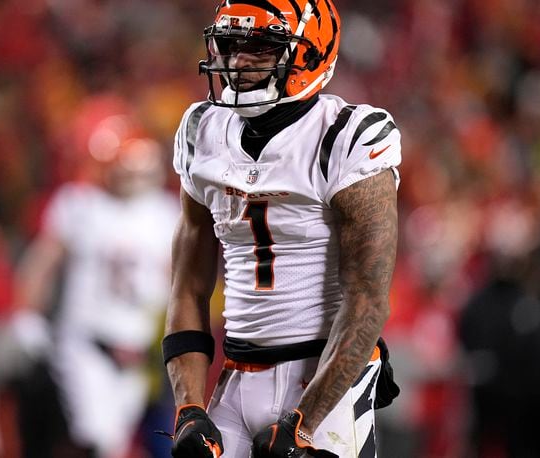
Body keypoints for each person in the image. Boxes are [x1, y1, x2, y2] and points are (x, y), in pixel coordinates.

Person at [162, 1, 402, 457]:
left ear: (310, 53)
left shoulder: (347, 136)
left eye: (259, 49)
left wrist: (304, 423)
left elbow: (368, 300)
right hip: (237, 373)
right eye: (231, 46)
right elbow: (187, 288)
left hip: (326, 376)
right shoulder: (201, 130)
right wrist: (189, 407)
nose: (237, 63)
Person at [11, 106, 179, 458]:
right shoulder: (80, 205)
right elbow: (43, 261)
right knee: (98, 441)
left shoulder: (165, 213)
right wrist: (25, 312)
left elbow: (179, 282)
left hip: (137, 354)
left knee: (113, 444)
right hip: (85, 344)